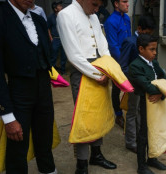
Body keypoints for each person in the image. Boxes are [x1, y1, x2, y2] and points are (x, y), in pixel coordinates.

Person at [0, 0, 56, 173]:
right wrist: (7, 116)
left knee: (45, 141)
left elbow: (45, 55)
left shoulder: (39, 20)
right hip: (18, 91)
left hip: (43, 89)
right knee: (17, 149)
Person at [56, 0, 117, 173]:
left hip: (100, 69)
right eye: (95, 4)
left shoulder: (93, 14)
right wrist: (98, 75)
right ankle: (81, 164)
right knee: (83, 117)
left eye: (98, 7)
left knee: (99, 113)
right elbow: (74, 55)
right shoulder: (65, 15)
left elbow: (103, 44)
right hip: (82, 71)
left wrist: (107, 67)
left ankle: (96, 154)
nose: (96, 10)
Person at [129, 34, 166, 174]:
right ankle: (141, 166)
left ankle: (152, 158)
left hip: (156, 102)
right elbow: (149, 87)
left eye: (155, 49)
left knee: (155, 131)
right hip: (144, 103)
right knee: (144, 134)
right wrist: (162, 89)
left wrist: (160, 93)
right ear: (141, 49)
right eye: (152, 49)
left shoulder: (154, 62)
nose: (155, 52)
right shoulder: (135, 66)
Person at [119, 14, 156, 153]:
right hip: (133, 84)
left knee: (142, 111)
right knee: (132, 112)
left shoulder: (146, 42)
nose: (148, 36)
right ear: (139, 29)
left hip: (144, 83)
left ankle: (140, 138)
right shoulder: (130, 42)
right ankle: (130, 141)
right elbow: (122, 66)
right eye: (146, 33)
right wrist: (134, 79)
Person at [104, 0, 131, 128]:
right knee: (116, 89)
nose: (128, 4)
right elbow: (113, 46)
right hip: (117, 60)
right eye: (124, 1)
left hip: (129, 59)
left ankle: (130, 112)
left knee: (131, 87)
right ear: (116, 4)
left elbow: (131, 40)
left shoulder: (127, 18)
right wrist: (123, 62)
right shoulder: (110, 22)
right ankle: (118, 115)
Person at [48, 0, 67, 75]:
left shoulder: (64, 16)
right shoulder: (50, 17)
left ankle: (63, 70)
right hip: (55, 39)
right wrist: (51, 38)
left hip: (63, 39)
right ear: (55, 9)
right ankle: (52, 71)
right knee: (54, 56)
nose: (61, 7)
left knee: (64, 56)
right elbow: (48, 28)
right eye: (59, 6)